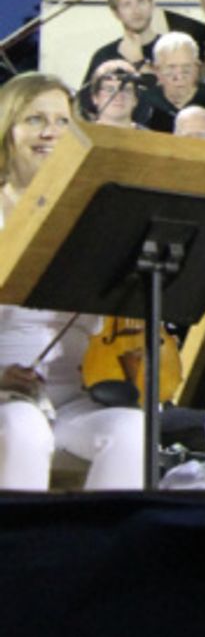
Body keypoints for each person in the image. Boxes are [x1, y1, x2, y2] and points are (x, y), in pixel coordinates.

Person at [0, 75, 145, 490]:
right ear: (7, 129)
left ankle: (103, 554)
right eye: (34, 119)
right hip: (4, 397)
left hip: (69, 398)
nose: (50, 132)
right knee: (24, 426)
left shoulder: (92, 218)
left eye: (63, 122)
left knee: (132, 431)